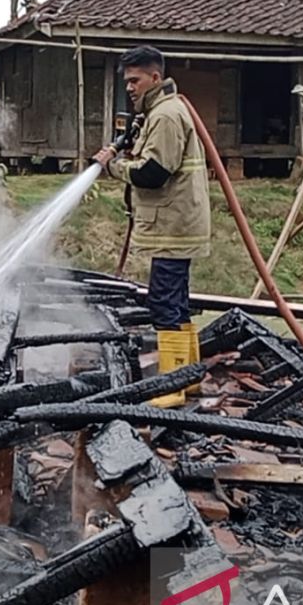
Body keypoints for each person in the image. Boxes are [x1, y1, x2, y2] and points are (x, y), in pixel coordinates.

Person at [92, 45, 211, 406]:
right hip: (177, 223)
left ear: (155, 77)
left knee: (163, 304)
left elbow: (153, 173)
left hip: (173, 225)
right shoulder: (160, 111)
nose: (130, 87)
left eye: (135, 80)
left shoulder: (165, 116)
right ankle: (188, 379)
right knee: (176, 303)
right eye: (127, 81)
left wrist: (112, 167)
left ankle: (170, 387)